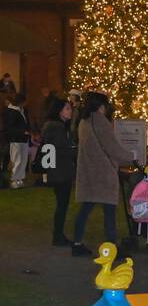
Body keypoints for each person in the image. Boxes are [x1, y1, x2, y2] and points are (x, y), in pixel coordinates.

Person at [71, 91, 137, 256]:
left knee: (86, 208)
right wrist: (132, 157)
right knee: (109, 211)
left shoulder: (84, 122)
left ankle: (77, 243)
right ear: (101, 106)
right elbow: (112, 147)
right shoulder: (100, 122)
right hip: (103, 173)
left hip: (89, 172)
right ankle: (112, 248)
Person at [41, 97, 76, 245]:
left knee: (62, 204)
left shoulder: (55, 126)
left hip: (59, 170)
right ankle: (58, 236)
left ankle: (58, 235)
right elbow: (58, 150)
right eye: (67, 108)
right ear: (59, 111)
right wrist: (74, 151)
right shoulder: (57, 127)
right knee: (62, 205)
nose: (70, 111)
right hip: (60, 172)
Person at [3, 90, 30, 188]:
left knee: (23, 160)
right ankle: (14, 180)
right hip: (15, 139)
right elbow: (9, 127)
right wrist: (22, 132)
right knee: (16, 160)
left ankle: (19, 179)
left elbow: (25, 123)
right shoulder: (10, 111)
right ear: (20, 102)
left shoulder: (21, 110)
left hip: (23, 139)